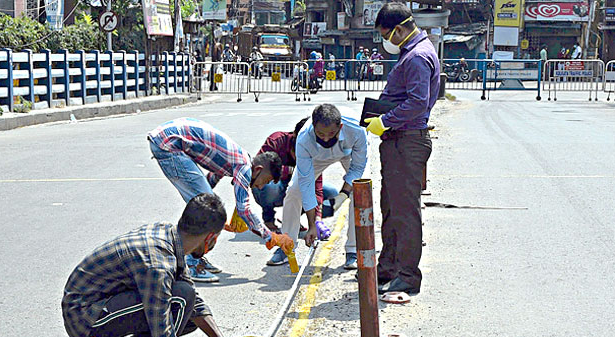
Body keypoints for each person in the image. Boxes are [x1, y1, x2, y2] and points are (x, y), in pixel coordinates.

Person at [63, 194, 231, 337]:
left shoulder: (168, 235)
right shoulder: (158, 265)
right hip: (85, 318)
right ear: (210, 239)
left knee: (186, 312)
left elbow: (195, 303)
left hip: (98, 304)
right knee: (179, 301)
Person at [148, 118, 294, 281]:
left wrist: (212, 212)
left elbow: (213, 176)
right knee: (207, 211)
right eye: (265, 181)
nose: (260, 187)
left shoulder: (238, 158)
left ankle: (195, 257)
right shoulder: (244, 167)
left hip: (168, 140)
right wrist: (272, 237)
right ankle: (190, 264)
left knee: (208, 207)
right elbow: (243, 209)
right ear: (258, 170)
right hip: (169, 144)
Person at [364, 2, 440, 296]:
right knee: (392, 207)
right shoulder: (413, 53)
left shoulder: (418, 57)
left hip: (407, 140)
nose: (386, 42)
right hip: (399, 140)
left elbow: (418, 103)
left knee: (405, 211)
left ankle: (407, 275)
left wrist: (385, 120)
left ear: (398, 30)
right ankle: (390, 267)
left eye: (386, 35)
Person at [253, 117, 359, 268]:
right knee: (289, 190)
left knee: (358, 191)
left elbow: (316, 188)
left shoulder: (346, 141)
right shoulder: (287, 141)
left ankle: (353, 251)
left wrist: (316, 221)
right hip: (273, 187)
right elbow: (258, 167)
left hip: (352, 148)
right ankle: (287, 245)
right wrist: (290, 171)